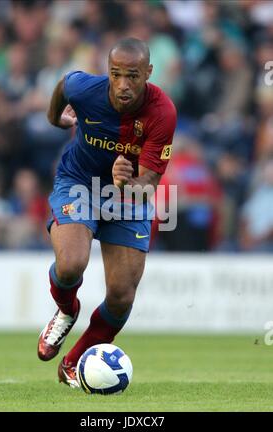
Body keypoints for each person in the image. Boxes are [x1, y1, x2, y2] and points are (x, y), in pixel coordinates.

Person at [37, 38, 177, 388]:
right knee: (71, 265)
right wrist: (56, 117)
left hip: (128, 198)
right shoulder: (86, 90)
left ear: (148, 73)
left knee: (121, 295)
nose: (123, 84)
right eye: (116, 74)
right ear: (108, 72)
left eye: (132, 76)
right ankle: (68, 308)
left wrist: (126, 183)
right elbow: (64, 83)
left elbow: (150, 184)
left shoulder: (162, 112)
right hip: (79, 182)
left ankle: (74, 362)